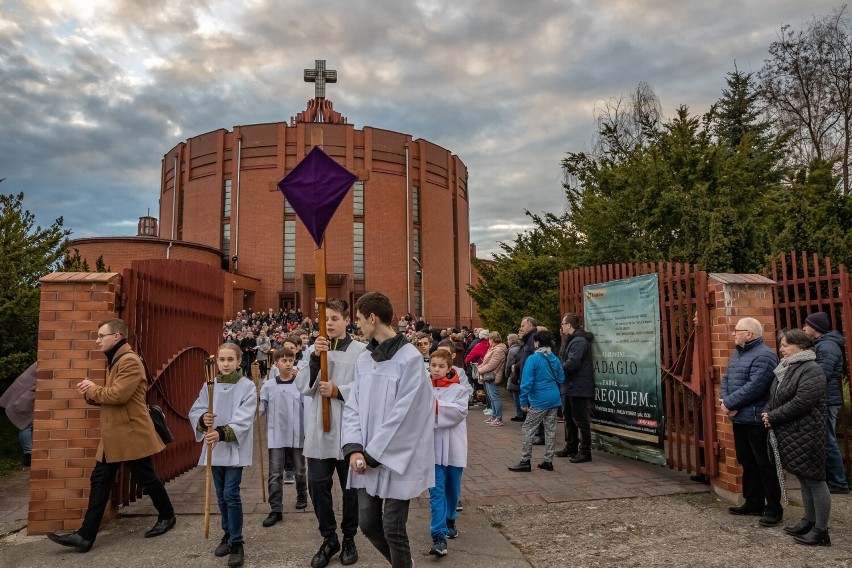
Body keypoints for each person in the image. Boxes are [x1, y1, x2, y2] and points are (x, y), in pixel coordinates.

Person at [47, 319, 176, 553]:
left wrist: (92, 388)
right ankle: (85, 536)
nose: (97, 340)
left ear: (116, 337)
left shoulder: (129, 361)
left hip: (130, 433)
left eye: (101, 336)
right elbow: (110, 396)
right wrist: (92, 392)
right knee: (99, 482)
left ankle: (167, 516)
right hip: (114, 435)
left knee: (146, 478)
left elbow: (118, 395)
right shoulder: (116, 359)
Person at [342, 291, 435, 568]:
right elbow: (353, 405)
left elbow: (406, 415)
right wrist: (353, 447)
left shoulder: (410, 360)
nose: (357, 324)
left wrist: (373, 454)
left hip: (396, 457)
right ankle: (403, 562)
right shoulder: (364, 359)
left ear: (372, 317)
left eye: (358, 318)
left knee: (393, 527)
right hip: (364, 455)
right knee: (368, 524)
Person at [296, 299, 366, 568]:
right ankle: (329, 537)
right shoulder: (314, 351)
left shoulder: (361, 351)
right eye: (325, 320)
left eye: (335, 318)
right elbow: (304, 386)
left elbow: (366, 390)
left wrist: (339, 391)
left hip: (349, 428)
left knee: (351, 489)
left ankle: (349, 537)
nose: (330, 324)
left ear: (347, 320)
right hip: (320, 429)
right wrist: (314, 358)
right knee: (317, 486)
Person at [189, 342, 257, 568]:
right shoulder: (210, 385)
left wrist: (220, 432)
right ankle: (227, 534)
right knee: (220, 494)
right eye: (222, 359)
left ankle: (237, 542)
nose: (225, 364)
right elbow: (197, 409)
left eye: (230, 359)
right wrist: (203, 419)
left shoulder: (247, 386)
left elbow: (245, 417)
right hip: (213, 447)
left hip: (233, 446)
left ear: (239, 361)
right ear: (216, 362)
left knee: (231, 493)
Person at [762, 329, 832, 545]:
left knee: (815, 480)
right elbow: (774, 395)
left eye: (785, 345)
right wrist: (767, 412)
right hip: (793, 432)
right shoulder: (787, 368)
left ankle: (821, 530)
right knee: (803, 478)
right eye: (781, 345)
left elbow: (802, 401)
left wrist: (772, 416)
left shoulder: (811, 369)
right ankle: (808, 520)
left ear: (801, 347)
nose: (781, 349)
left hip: (807, 433)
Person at [720, 317, 783, 527]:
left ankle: (773, 508)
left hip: (756, 419)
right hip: (739, 418)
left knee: (764, 464)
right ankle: (753, 502)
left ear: (749, 334)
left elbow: (756, 386)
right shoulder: (738, 353)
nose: (733, 334)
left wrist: (730, 402)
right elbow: (727, 378)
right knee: (746, 461)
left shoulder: (764, 356)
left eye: (737, 330)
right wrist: (726, 401)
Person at [426, 349, 470, 557]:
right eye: (433, 365)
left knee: (452, 489)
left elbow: (459, 412)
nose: (435, 370)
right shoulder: (423, 387)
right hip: (431, 448)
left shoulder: (459, 389)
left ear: (449, 368)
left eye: (440, 366)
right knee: (435, 491)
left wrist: (433, 406)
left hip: (453, 446)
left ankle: (450, 517)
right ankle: (438, 535)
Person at [259, 347, 308, 528]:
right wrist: (256, 402)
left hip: (297, 434)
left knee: (300, 470)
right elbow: (261, 409)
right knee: (274, 473)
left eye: (290, 360)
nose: (288, 364)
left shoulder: (300, 384)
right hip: (276, 434)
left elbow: (307, 408)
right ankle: (276, 508)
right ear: (276, 363)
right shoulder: (269, 386)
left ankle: (302, 493)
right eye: (283, 361)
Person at [802, 311, 850, 494]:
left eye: (806, 325)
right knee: (824, 439)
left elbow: (821, 373)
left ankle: (839, 482)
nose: (804, 328)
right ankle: (833, 479)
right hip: (825, 398)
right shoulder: (822, 344)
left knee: (828, 440)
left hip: (828, 400)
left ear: (815, 328)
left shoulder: (827, 346)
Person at [508, 329, 564, 473]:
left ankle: (525, 460)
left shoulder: (533, 359)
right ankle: (548, 461)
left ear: (536, 342)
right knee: (550, 430)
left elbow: (526, 383)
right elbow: (561, 378)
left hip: (539, 400)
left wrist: (523, 402)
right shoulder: (554, 358)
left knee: (528, 429)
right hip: (554, 398)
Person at [556, 314, 595, 463]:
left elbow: (572, 363)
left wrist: (557, 370)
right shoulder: (569, 339)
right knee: (568, 417)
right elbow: (562, 359)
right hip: (569, 385)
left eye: (563, 323)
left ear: (569, 325)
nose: (562, 326)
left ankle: (585, 451)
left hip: (578, 385)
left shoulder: (579, 341)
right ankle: (571, 445)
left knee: (580, 419)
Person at [0, 362, 35, 468]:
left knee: (26, 426)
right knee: (26, 425)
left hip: (24, 398)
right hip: (24, 402)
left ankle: (28, 454)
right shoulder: (43, 363)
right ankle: (28, 455)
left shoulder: (38, 363)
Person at [478, 331, 508, 426]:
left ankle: (499, 418)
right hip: (488, 376)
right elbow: (486, 361)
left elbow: (492, 365)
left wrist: (480, 370)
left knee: (495, 398)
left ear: (492, 339)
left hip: (493, 376)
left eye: (489, 339)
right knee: (491, 397)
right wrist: (480, 367)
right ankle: (494, 416)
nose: (488, 341)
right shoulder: (493, 349)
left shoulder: (498, 350)